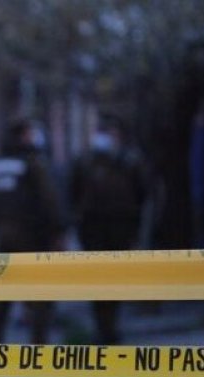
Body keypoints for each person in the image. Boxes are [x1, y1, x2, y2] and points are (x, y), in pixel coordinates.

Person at [0, 119, 67, 343]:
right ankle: (38, 346)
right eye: (30, 133)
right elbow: (49, 200)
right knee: (39, 293)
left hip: (4, 234)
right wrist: (57, 231)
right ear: (23, 136)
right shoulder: (33, 164)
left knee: (2, 291)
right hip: (33, 236)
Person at [71, 120, 148, 343]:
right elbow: (74, 192)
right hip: (93, 229)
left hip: (120, 227)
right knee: (97, 279)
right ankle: (102, 327)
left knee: (116, 279)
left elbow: (141, 192)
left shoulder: (129, 162)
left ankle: (111, 326)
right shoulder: (85, 162)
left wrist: (134, 224)